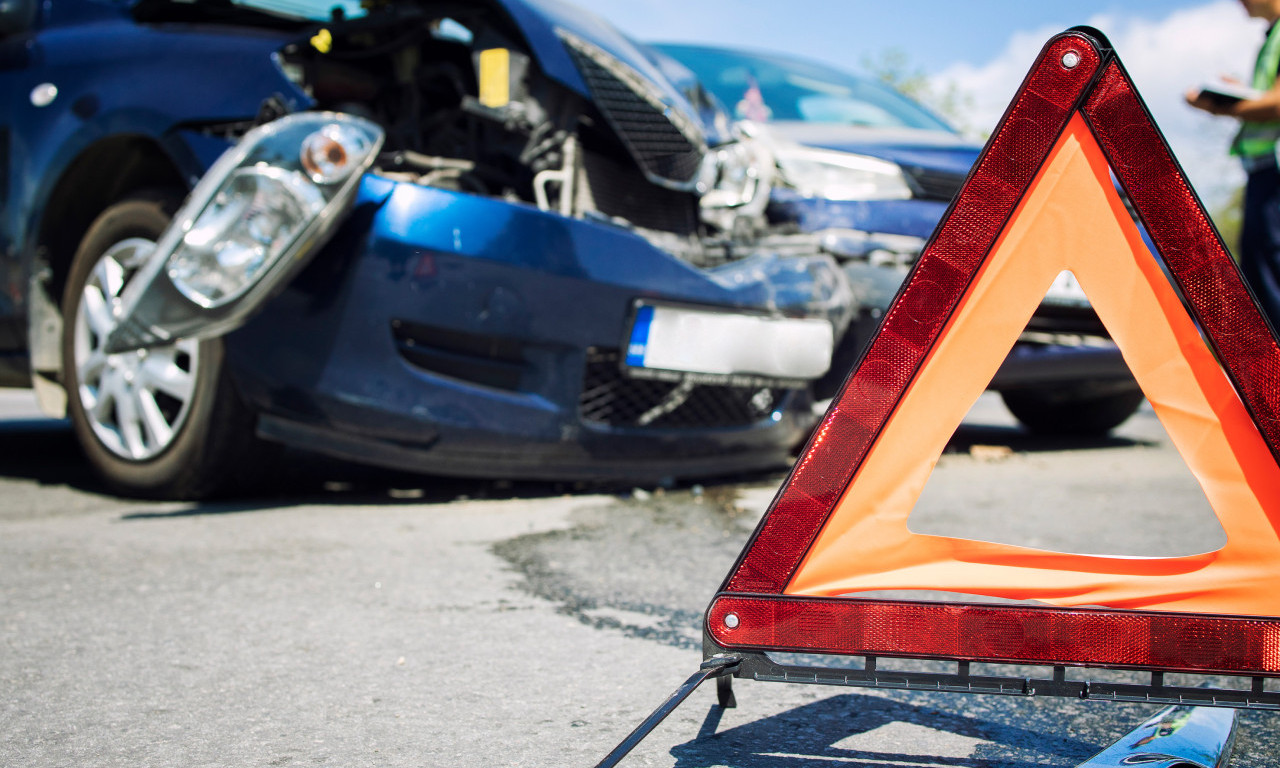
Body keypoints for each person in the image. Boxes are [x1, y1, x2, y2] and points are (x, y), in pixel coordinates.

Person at [1186, 0, 1280, 333]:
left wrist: (1221, 105)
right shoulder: (1272, 38)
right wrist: (1239, 92)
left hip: (1275, 177)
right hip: (1265, 173)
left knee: (1271, 277)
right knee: (1261, 276)